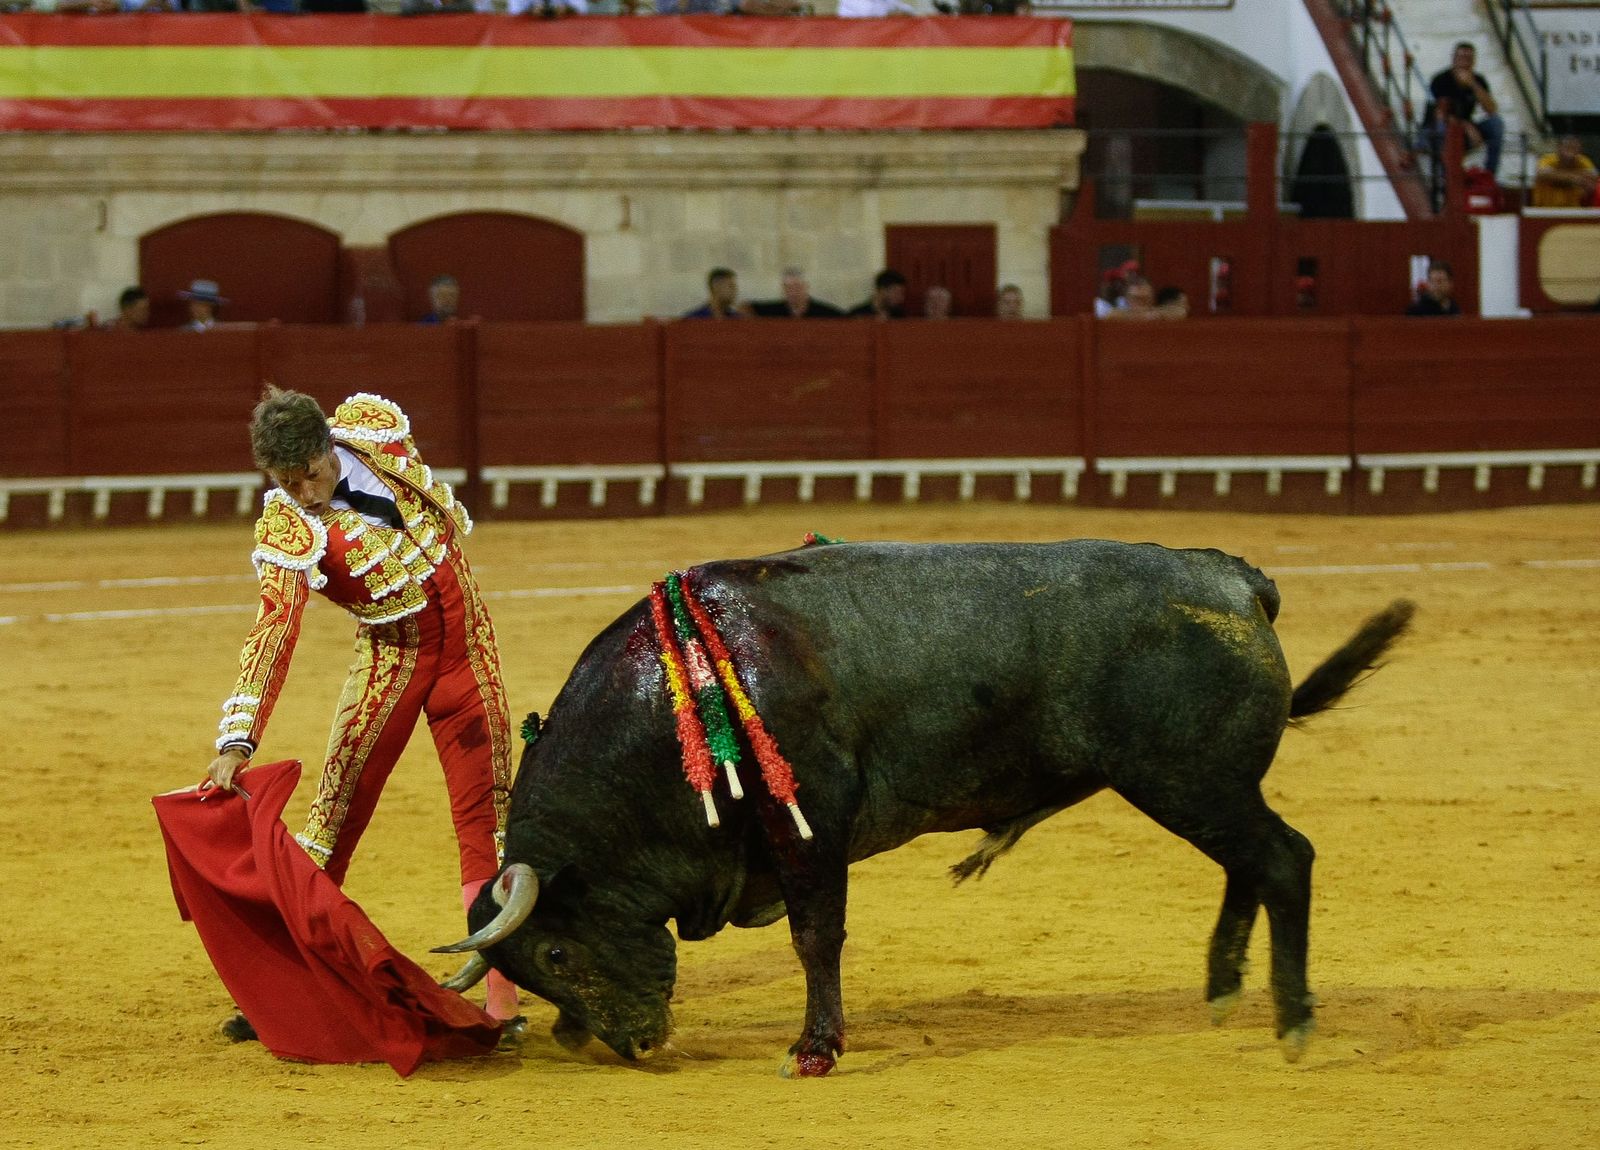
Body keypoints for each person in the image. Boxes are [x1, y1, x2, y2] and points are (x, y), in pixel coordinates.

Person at [204, 387, 520, 1040]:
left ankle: (504, 1007)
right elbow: (274, 632)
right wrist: (238, 739)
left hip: (468, 650)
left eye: (311, 476)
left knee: (486, 825)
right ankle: (282, 991)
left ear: (329, 449)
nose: (307, 496)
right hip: (391, 662)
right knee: (330, 825)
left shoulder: (375, 435)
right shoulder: (287, 530)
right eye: (288, 485)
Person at [1419, 42, 1504, 178]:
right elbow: (1440, 113)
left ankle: (1489, 174)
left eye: (1468, 59)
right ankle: (1445, 176)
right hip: (1438, 126)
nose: (1464, 62)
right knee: (1443, 128)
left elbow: (1491, 109)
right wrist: (1466, 126)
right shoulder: (1441, 79)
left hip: (1465, 125)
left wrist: (1473, 84)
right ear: (1453, 59)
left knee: (1496, 123)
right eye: (1461, 58)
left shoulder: (1478, 80)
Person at [1531, 135, 1598, 209]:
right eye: (1568, 148)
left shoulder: (1583, 161)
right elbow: (1542, 174)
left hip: (1573, 209)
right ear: (1559, 148)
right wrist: (1575, 178)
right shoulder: (1547, 159)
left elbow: (1593, 177)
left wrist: (1557, 176)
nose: (1571, 152)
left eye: (1575, 148)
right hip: (1545, 210)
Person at [749, 268, 843, 318]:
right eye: (788, 287)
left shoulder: (825, 313)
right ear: (783, 289)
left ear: (806, 287)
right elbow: (747, 308)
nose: (793, 292)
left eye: (797, 286)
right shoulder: (772, 311)